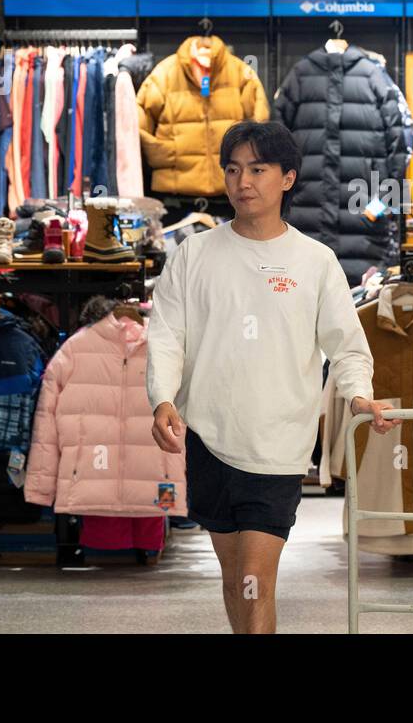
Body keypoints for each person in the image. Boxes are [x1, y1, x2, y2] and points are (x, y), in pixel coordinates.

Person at [146, 120, 399, 633]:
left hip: (279, 443)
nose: (243, 181)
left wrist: (359, 398)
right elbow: (168, 334)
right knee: (235, 575)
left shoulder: (315, 261)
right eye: (234, 169)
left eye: (258, 169)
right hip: (208, 440)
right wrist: (162, 400)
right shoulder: (193, 255)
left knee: (256, 579)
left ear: (286, 178)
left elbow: (347, 345)